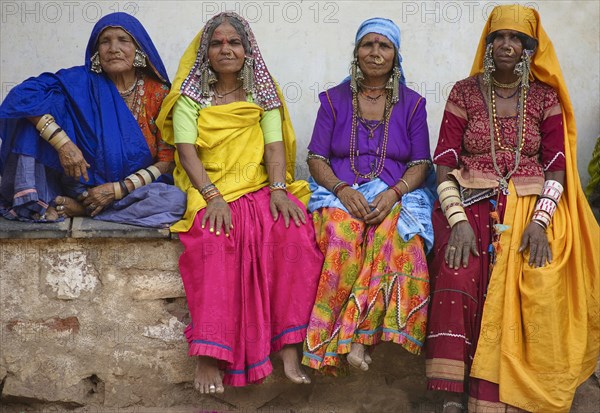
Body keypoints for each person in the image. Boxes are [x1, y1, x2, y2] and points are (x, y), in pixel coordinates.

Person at [426, 5, 599, 412]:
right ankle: (453, 391)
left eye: (516, 38)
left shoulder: (545, 98)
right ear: (488, 44)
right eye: (499, 37)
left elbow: (556, 169)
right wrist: (457, 222)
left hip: (532, 204)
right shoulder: (464, 91)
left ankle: (505, 396)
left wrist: (540, 223)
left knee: (536, 275)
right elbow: (445, 162)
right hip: (468, 200)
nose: (507, 45)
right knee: (459, 269)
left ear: (528, 48)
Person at [155, 12, 322, 393]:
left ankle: (288, 345)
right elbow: (186, 152)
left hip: (260, 185)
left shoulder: (263, 93)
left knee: (294, 234)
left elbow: (275, 147)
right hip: (208, 187)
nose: (225, 49)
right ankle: (210, 356)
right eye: (217, 43)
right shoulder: (189, 98)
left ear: (247, 50)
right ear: (205, 52)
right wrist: (212, 197)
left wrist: (279, 189)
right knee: (214, 244)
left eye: (234, 42)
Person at [301, 17, 434, 374]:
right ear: (356, 52)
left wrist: (393, 195)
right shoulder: (332, 101)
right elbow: (315, 158)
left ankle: (361, 336)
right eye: (368, 44)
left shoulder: (413, 104)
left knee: (398, 241)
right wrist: (342, 190)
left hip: (393, 193)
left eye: (384, 45)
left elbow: (421, 163)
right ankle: (328, 347)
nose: (375, 53)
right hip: (339, 193)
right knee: (344, 240)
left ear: (395, 55)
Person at [0, 13, 184, 227]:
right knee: (33, 114)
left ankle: (83, 211)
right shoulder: (80, 82)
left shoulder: (159, 93)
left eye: (123, 40)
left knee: (175, 201)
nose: (113, 48)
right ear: (97, 52)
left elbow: (166, 162)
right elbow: (22, 96)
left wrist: (115, 190)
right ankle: (68, 201)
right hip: (78, 185)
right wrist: (64, 145)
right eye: (105, 41)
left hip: (131, 191)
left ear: (139, 50)